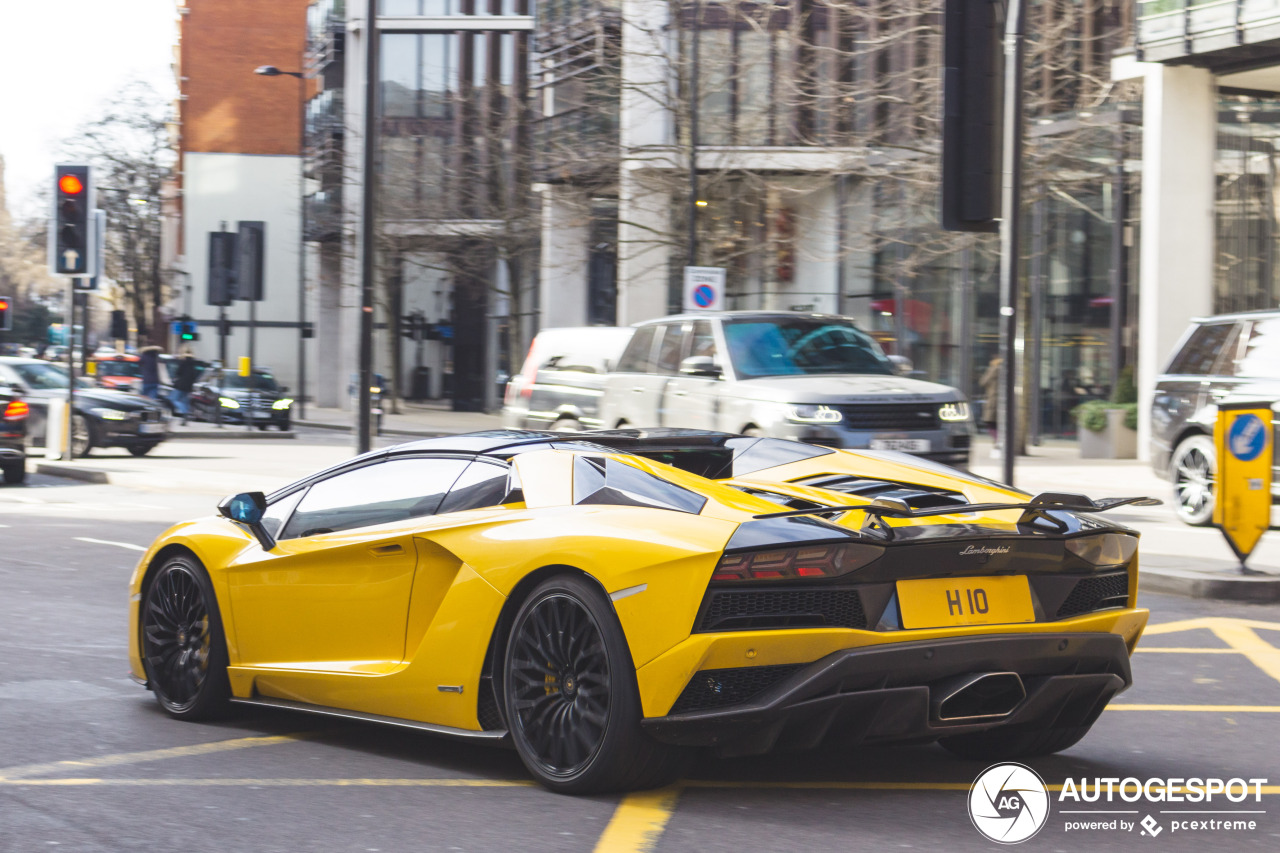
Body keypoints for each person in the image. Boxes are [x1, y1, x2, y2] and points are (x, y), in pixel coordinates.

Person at [172, 349, 198, 425]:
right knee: (185, 402)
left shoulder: (183, 363)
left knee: (174, 399)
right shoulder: (193, 365)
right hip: (188, 387)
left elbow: (178, 373)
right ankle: (184, 418)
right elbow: (194, 377)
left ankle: (184, 412)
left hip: (181, 386)